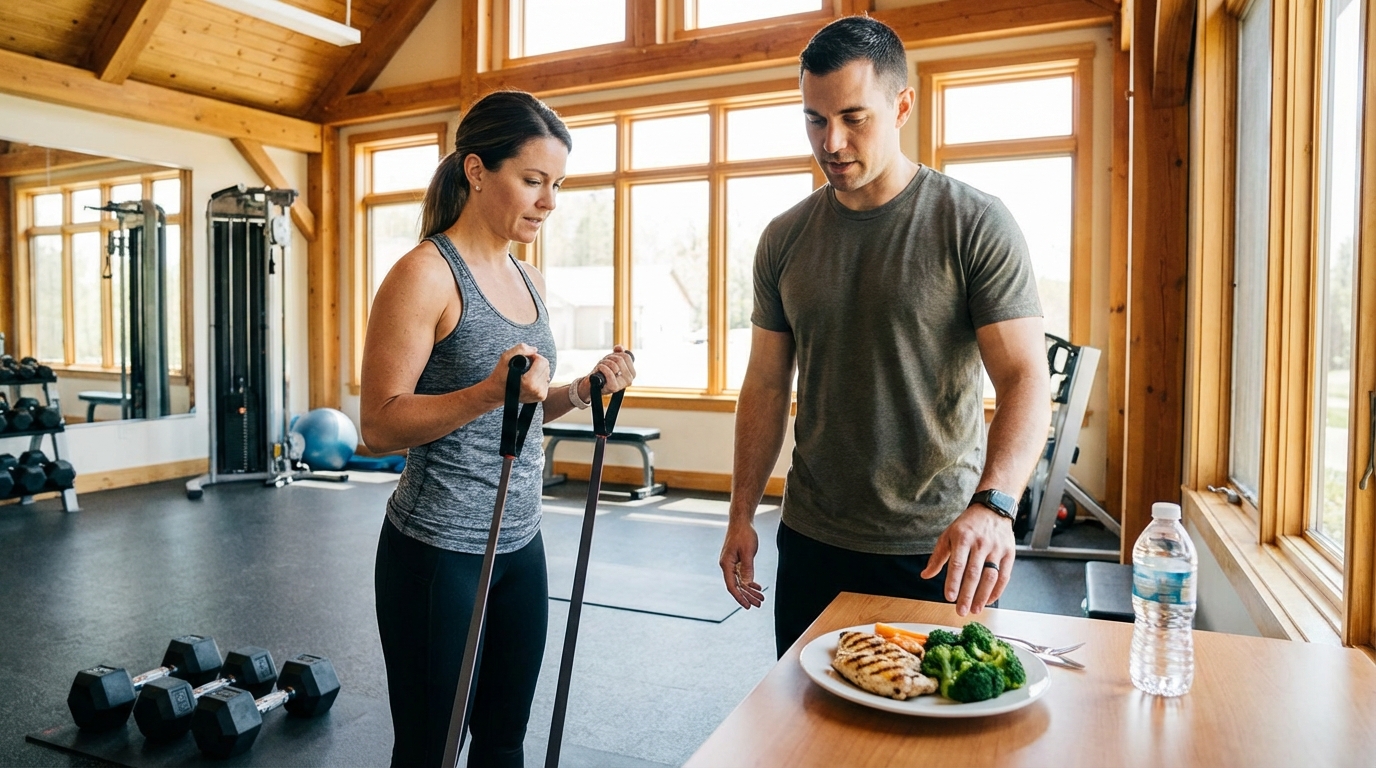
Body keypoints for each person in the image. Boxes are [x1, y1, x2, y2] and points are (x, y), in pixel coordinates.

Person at [717, 16, 1052, 658]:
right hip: (813, 538)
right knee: (811, 734)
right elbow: (764, 382)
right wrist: (740, 513)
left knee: (932, 739)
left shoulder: (973, 222)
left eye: (853, 117)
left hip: (938, 545)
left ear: (902, 106)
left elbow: (1024, 378)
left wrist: (995, 505)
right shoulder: (784, 238)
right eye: (815, 120)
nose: (831, 141)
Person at [360, 90, 637, 768]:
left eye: (557, 185)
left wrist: (580, 390)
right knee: (432, 747)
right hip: (438, 552)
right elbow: (377, 425)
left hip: (520, 543)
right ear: (478, 171)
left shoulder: (529, 278)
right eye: (533, 180)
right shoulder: (424, 275)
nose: (548, 201)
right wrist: (486, 392)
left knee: (505, 740)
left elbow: (527, 408)